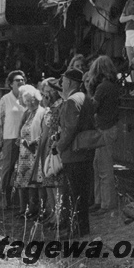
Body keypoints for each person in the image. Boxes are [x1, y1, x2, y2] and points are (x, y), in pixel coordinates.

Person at [54, 68, 95, 238]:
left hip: (73, 155)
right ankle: (82, 228)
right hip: (85, 153)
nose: (61, 83)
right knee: (82, 193)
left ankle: (74, 230)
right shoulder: (84, 98)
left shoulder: (71, 101)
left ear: (70, 82)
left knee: (72, 194)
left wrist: (59, 146)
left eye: (62, 80)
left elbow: (69, 129)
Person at [86, 56, 120, 214]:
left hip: (104, 130)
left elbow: (92, 107)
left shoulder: (102, 87)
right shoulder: (111, 85)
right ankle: (101, 201)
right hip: (109, 128)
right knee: (100, 166)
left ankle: (106, 204)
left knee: (102, 168)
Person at [31, 78, 64, 227]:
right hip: (46, 146)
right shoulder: (49, 109)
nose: (44, 97)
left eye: (46, 93)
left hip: (53, 147)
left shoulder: (59, 107)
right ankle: (52, 213)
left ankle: (59, 216)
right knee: (48, 181)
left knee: (55, 181)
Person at [0, 70, 27, 210]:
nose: (20, 82)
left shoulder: (27, 98)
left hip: (25, 140)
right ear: (10, 84)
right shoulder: (5, 99)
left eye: (22, 80)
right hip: (10, 138)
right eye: (17, 80)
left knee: (23, 169)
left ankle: (19, 202)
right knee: (8, 169)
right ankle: (4, 199)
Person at [13, 84, 45, 219]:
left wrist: (31, 143)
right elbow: (22, 129)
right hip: (24, 152)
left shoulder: (41, 112)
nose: (30, 103)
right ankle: (25, 209)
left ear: (37, 98)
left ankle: (35, 210)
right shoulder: (28, 112)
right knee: (22, 181)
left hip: (34, 151)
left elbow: (43, 133)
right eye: (27, 101)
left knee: (34, 183)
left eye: (32, 100)